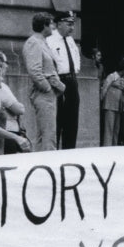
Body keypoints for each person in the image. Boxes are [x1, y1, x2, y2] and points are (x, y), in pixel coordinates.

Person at [22, 12, 64, 151]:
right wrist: (47, 88)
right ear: (44, 25)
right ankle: (48, 165)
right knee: (48, 135)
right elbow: (34, 71)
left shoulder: (42, 42)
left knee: (45, 134)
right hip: (43, 94)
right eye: (51, 23)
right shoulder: (33, 42)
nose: (53, 27)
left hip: (48, 94)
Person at [46, 11, 81, 149]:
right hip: (58, 80)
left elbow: (76, 58)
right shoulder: (50, 40)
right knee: (58, 118)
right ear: (59, 24)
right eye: (69, 24)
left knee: (72, 119)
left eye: (73, 24)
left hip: (72, 80)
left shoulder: (70, 40)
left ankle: (69, 150)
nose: (72, 28)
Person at [0, 50, 27, 154]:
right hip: (7, 132)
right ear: (0, 66)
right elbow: (19, 109)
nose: (7, 67)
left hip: (6, 132)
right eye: (5, 63)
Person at [99, 57, 124, 146]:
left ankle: (114, 146)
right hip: (109, 105)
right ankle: (107, 146)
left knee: (116, 129)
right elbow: (104, 89)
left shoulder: (123, 79)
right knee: (109, 128)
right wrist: (102, 101)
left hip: (118, 106)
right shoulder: (112, 76)